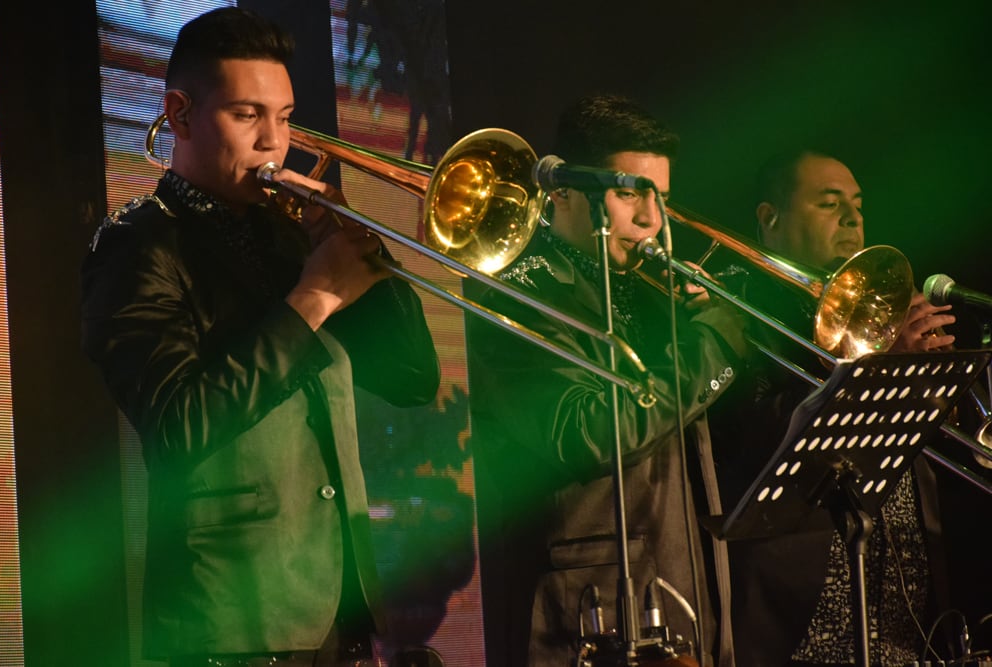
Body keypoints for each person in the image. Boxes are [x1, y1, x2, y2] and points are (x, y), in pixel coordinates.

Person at [80, 7, 440, 667]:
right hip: (230, 625)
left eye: (285, 116)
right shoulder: (136, 245)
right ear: (180, 114)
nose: (275, 142)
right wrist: (313, 297)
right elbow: (180, 425)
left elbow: (414, 378)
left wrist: (357, 244)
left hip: (338, 613)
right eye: (248, 115)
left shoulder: (287, 234)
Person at [465, 93, 749, 667]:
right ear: (562, 190)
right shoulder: (515, 296)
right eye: (628, 194)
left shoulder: (644, 291)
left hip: (685, 597)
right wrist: (711, 342)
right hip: (588, 619)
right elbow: (585, 431)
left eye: (661, 199)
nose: (652, 221)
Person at [706, 148, 963, 667]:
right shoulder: (731, 312)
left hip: (905, 613)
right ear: (769, 218)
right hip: (802, 621)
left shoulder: (881, 301)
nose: (852, 218)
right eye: (829, 203)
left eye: (858, 205)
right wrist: (879, 368)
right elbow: (746, 440)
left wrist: (934, 384)